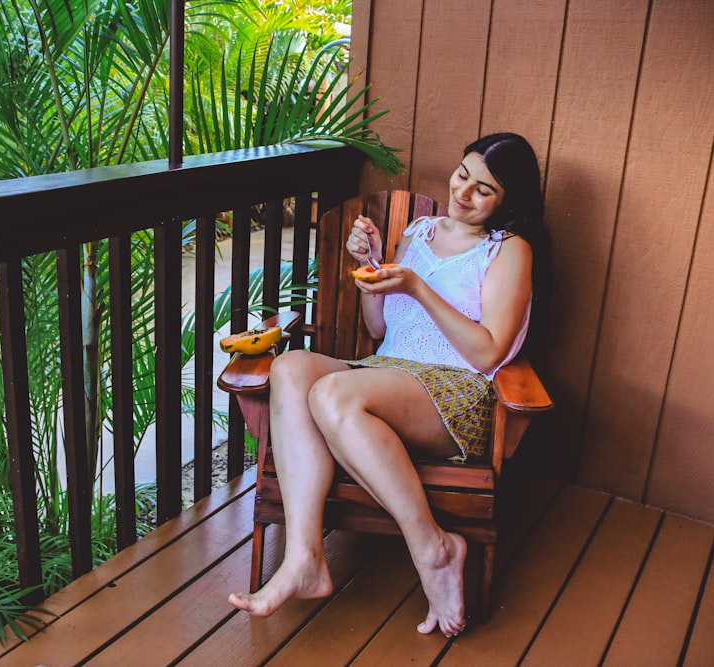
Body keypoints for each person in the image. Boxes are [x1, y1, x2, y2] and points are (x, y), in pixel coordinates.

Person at [227, 132, 550, 638]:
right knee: (291, 369)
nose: (463, 193)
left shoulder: (509, 251)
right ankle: (305, 558)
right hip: (388, 372)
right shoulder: (419, 231)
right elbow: (380, 329)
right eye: (463, 174)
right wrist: (375, 266)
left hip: (456, 394)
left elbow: (489, 351)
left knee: (331, 394)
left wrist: (418, 286)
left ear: (509, 201)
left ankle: (433, 547)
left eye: (483, 189)